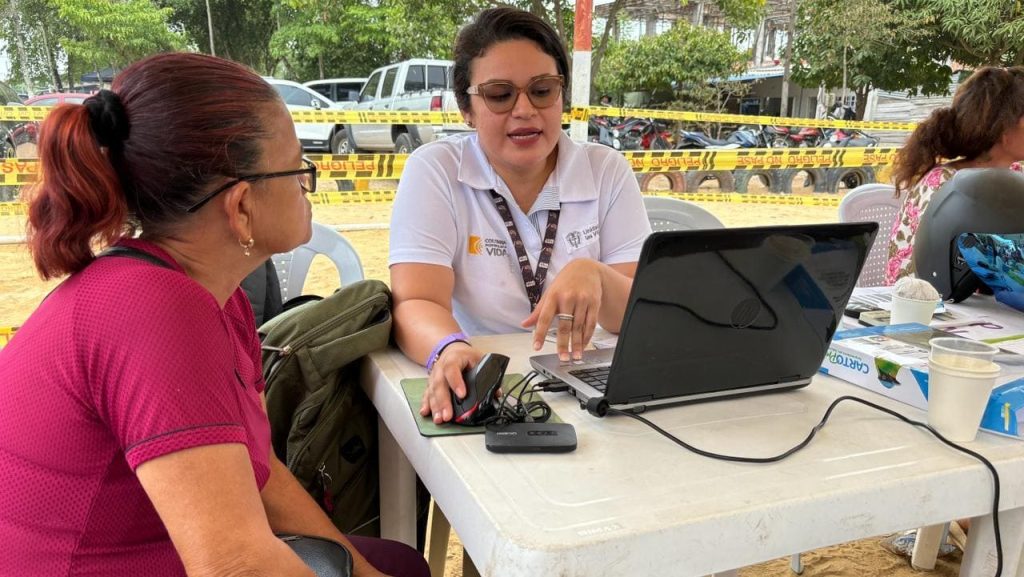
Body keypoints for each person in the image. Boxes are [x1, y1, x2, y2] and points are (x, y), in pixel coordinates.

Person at [0, 53, 428, 577]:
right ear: (241, 205)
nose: (307, 185)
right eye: (298, 169)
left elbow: (261, 471)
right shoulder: (156, 313)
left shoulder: (213, 299)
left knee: (395, 565)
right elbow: (233, 563)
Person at [388, 7, 651, 424]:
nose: (525, 110)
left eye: (542, 90)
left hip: (592, 385)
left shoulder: (605, 171)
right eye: (499, 94)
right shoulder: (436, 170)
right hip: (488, 383)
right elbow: (415, 300)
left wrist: (597, 275)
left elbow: (638, 316)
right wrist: (449, 348)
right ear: (466, 108)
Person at [886, 66, 1024, 285]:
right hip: (936, 310)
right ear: (1004, 127)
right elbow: (918, 281)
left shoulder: (1018, 176)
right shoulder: (943, 184)